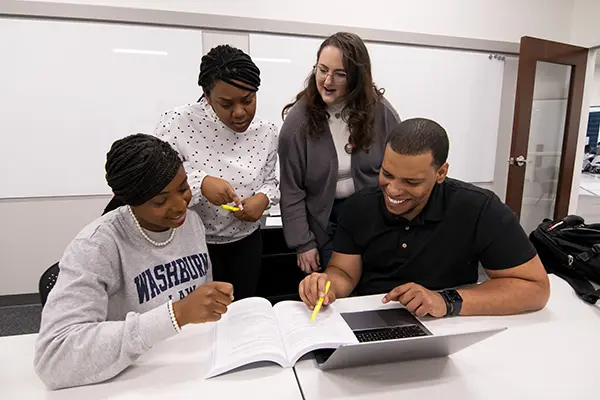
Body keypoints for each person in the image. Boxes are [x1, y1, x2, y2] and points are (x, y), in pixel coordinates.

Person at [34, 134, 234, 390]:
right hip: (130, 381)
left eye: (184, 188)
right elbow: (54, 360)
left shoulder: (191, 223)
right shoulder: (96, 246)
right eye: (160, 201)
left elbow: (198, 311)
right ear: (131, 201)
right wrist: (177, 313)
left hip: (190, 369)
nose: (179, 205)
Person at [299, 118, 550, 317]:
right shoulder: (360, 206)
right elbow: (344, 273)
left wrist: (445, 301)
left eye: (411, 182)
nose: (394, 190)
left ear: (441, 172)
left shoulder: (478, 208)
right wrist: (326, 285)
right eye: (387, 173)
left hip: (450, 322)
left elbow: (535, 288)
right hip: (373, 318)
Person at [155, 45, 279, 299]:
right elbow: (158, 180)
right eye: (226, 103)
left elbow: (271, 181)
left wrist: (263, 198)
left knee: (242, 310)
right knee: (200, 318)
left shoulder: (266, 131)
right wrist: (201, 183)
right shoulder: (177, 123)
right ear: (207, 95)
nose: (240, 113)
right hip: (191, 245)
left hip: (246, 244)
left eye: (248, 100)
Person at [279, 32, 400, 274]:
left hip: (373, 218)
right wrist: (303, 244)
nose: (327, 81)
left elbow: (400, 169)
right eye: (322, 70)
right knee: (331, 293)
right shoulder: (297, 122)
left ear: (357, 77)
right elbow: (291, 190)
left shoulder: (381, 113)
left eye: (340, 74)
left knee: (373, 288)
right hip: (324, 222)